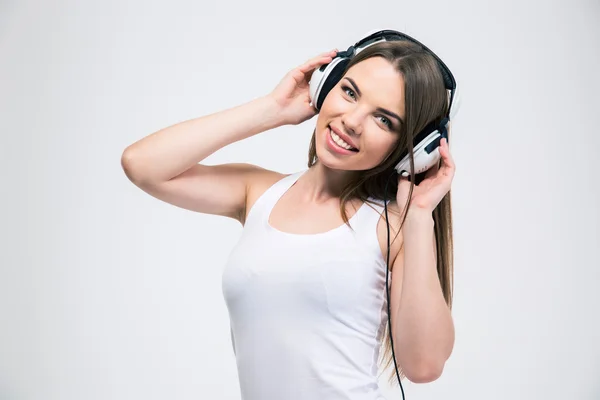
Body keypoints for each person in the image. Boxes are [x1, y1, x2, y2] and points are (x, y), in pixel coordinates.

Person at [121, 30, 456, 400]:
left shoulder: (390, 228)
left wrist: (420, 214)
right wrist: (272, 109)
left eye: (384, 120)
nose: (352, 121)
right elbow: (143, 165)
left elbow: (424, 365)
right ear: (325, 85)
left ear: (413, 147)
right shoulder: (257, 193)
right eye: (349, 92)